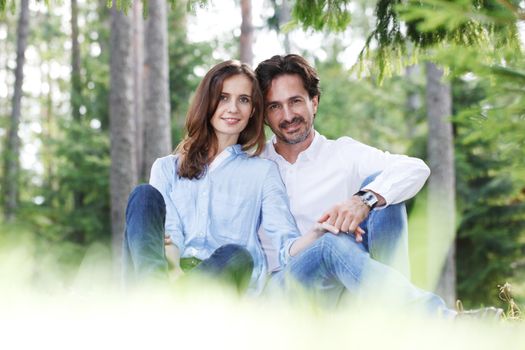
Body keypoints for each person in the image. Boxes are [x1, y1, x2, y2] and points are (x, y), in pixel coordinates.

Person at [121, 60, 336, 294]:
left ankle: (164, 302)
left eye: (243, 100)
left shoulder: (262, 172)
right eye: (224, 97)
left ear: (253, 110)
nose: (233, 108)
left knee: (237, 255)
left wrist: (318, 231)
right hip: (168, 274)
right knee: (143, 196)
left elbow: (285, 246)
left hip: (222, 277)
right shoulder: (166, 168)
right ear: (208, 102)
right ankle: (157, 297)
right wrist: (174, 272)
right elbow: (167, 233)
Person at [255, 54, 428, 276]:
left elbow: (416, 168)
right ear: (265, 116)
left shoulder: (343, 154)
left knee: (385, 193)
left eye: (295, 101)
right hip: (284, 288)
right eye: (275, 106)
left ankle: (392, 303)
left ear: (314, 102)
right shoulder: (254, 166)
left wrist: (364, 200)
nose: (287, 115)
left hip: (345, 283)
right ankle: (419, 308)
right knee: (329, 243)